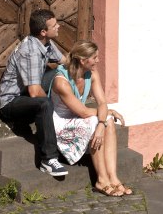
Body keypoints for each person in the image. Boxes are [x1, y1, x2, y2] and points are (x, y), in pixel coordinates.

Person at [49, 40, 132, 197]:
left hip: (81, 116)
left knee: (106, 119)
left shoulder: (92, 74)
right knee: (98, 119)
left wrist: (102, 122)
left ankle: (113, 178)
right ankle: (101, 180)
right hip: (62, 122)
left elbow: (102, 102)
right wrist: (102, 118)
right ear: (82, 60)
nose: (98, 60)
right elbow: (84, 113)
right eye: (95, 57)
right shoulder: (61, 82)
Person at [0, 9, 69, 176]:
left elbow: (64, 62)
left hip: (25, 94)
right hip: (10, 103)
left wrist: (83, 63)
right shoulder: (31, 51)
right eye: (54, 25)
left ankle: (65, 114)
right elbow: (35, 93)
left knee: (60, 72)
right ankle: (48, 159)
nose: (59, 26)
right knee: (44, 104)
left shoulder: (45, 42)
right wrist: (53, 110)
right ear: (43, 31)